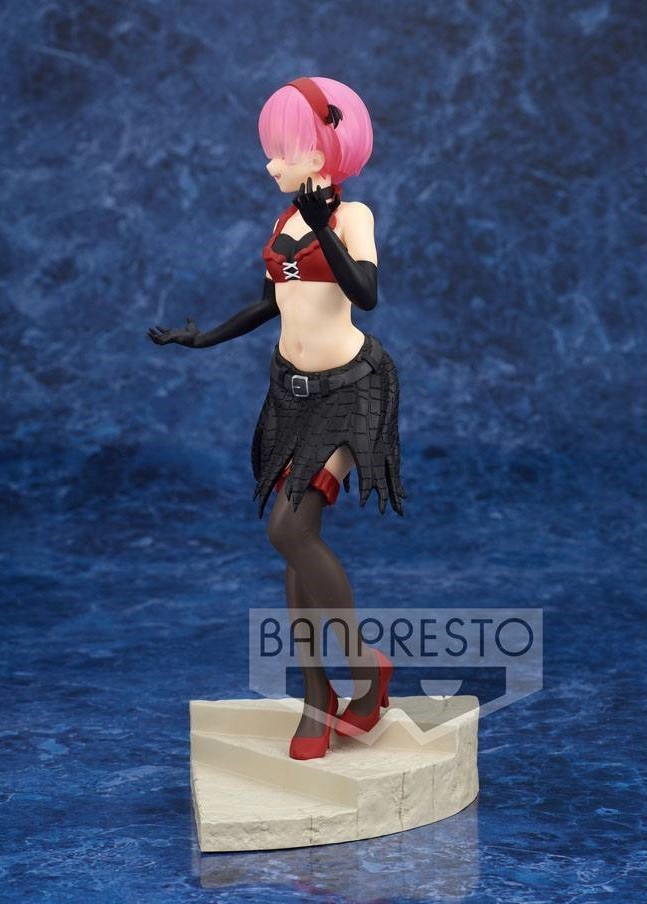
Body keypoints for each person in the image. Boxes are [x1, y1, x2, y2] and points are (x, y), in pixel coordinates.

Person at [148, 76, 406, 760]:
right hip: (290, 393)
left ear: (318, 155)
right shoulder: (283, 221)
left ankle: (364, 669)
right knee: (296, 538)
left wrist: (324, 227)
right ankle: (319, 693)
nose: (269, 164)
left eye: (281, 150)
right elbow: (271, 303)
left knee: (288, 529)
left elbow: (366, 294)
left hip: (351, 389)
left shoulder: (352, 217)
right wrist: (203, 338)